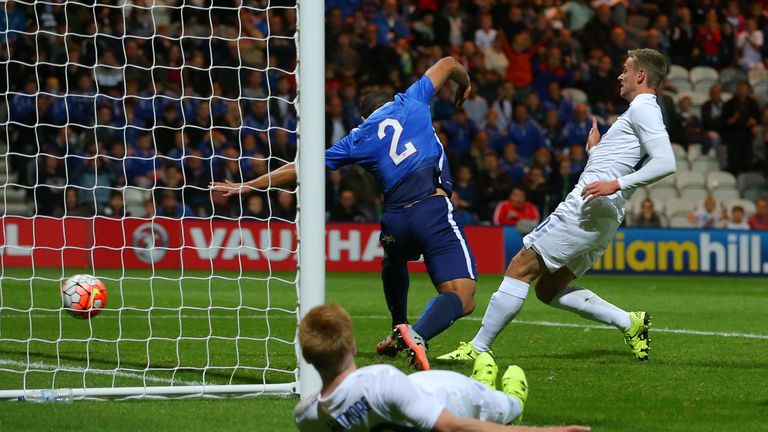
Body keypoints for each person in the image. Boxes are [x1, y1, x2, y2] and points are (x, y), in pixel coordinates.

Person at [211, 57, 479, 371]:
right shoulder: (412, 99)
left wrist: (250, 185)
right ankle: (416, 333)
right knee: (463, 297)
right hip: (431, 208)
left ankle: (399, 325)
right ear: (390, 102)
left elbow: (303, 166)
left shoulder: (357, 137)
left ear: (364, 116)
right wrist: (464, 83)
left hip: (395, 219)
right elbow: (448, 63)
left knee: (394, 259)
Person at [439, 49, 675, 363]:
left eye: (626, 69)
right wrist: (596, 153)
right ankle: (628, 322)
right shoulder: (638, 111)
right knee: (548, 288)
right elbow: (623, 162)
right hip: (605, 210)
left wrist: (616, 183)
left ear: (641, 75)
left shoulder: (644, 109)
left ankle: (477, 347)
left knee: (520, 267)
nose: (621, 75)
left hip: (589, 204)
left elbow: (665, 161)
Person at [294, 303, 590, 432]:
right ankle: (512, 400)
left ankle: (486, 385)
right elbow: (453, 427)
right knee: (505, 408)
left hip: (416, 396)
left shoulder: (306, 417)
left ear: (307, 358)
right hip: (451, 397)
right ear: (353, 347)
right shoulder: (379, 380)